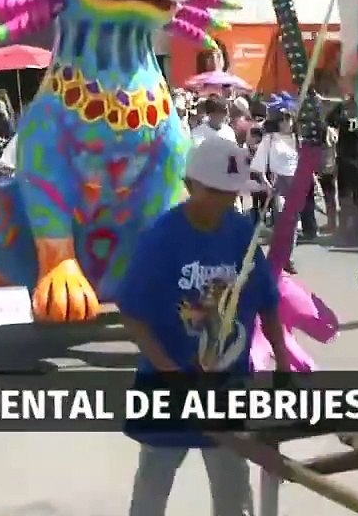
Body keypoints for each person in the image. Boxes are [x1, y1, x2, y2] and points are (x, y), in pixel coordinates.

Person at [118, 137, 289, 516]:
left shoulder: (241, 231)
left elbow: (267, 300)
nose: (223, 202)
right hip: (170, 385)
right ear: (190, 183)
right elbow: (131, 310)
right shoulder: (160, 237)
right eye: (214, 192)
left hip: (228, 386)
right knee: (154, 482)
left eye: (231, 194)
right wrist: (167, 370)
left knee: (232, 485)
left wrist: (282, 360)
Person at [249, 108, 300, 274]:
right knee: (280, 222)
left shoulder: (297, 139)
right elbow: (259, 165)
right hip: (278, 182)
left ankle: (287, 257)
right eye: (283, 119)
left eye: (288, 118)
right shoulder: (270, 139)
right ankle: (277, 256)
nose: (286, 122)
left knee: (292, 224)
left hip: (295, 183)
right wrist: (266, 183)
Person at [333, 96, 358, 244]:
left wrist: (341, 104)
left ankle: (346, 231)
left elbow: (330, 118)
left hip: (346, 163)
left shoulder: (345, 121)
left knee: (346, 198)